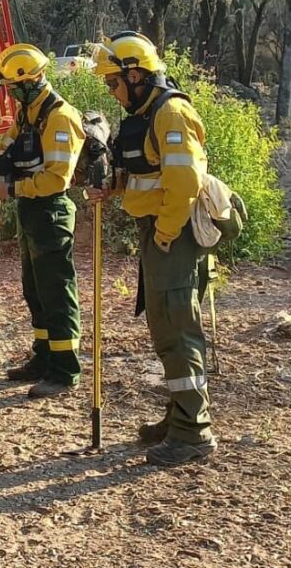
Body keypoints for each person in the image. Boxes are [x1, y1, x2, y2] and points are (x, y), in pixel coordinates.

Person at [89, 31, 216, 467]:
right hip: (159, 231)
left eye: (113, 82)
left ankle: (193, 431)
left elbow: (184, 183)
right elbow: (147, 171)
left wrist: (163, 234)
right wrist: (114, 187)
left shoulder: (172, 113)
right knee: (166, 331)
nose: (112, 90)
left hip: (173, 235)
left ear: (136, 74)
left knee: (177, 331)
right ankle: (179, 416)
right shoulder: (143, 114)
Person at [0, 43, 85, 397]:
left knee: (56, 291)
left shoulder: (59, 117)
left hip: (50, 210)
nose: (9, 92)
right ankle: (43, 357)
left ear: (30, 82)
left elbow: (57, 178)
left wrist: (7, 191)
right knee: (34, 290)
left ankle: (65, 369)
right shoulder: (28, 112)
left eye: (13, 86)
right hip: (30, 209)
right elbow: (8, 147)